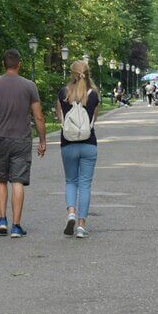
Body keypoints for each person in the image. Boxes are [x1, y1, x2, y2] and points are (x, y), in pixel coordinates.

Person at [0, 49, 47, 238]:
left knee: (1, 179)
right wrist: (42, 140)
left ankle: (2, 220)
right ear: (19, 64)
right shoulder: (29, 86)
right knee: (17, 181)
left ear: (3, 64)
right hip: (22, 140)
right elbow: (39, 116)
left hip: (0, 138)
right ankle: (16, 226)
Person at [56, 60, 100, 239]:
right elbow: (93, 121)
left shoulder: (63, 93)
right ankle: (81, 225)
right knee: (85, 184)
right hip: (89, 144)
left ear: (71, 74)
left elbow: (60, 118)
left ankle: (71, 213)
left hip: (68, 144)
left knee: (70, 181)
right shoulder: (94, 95)